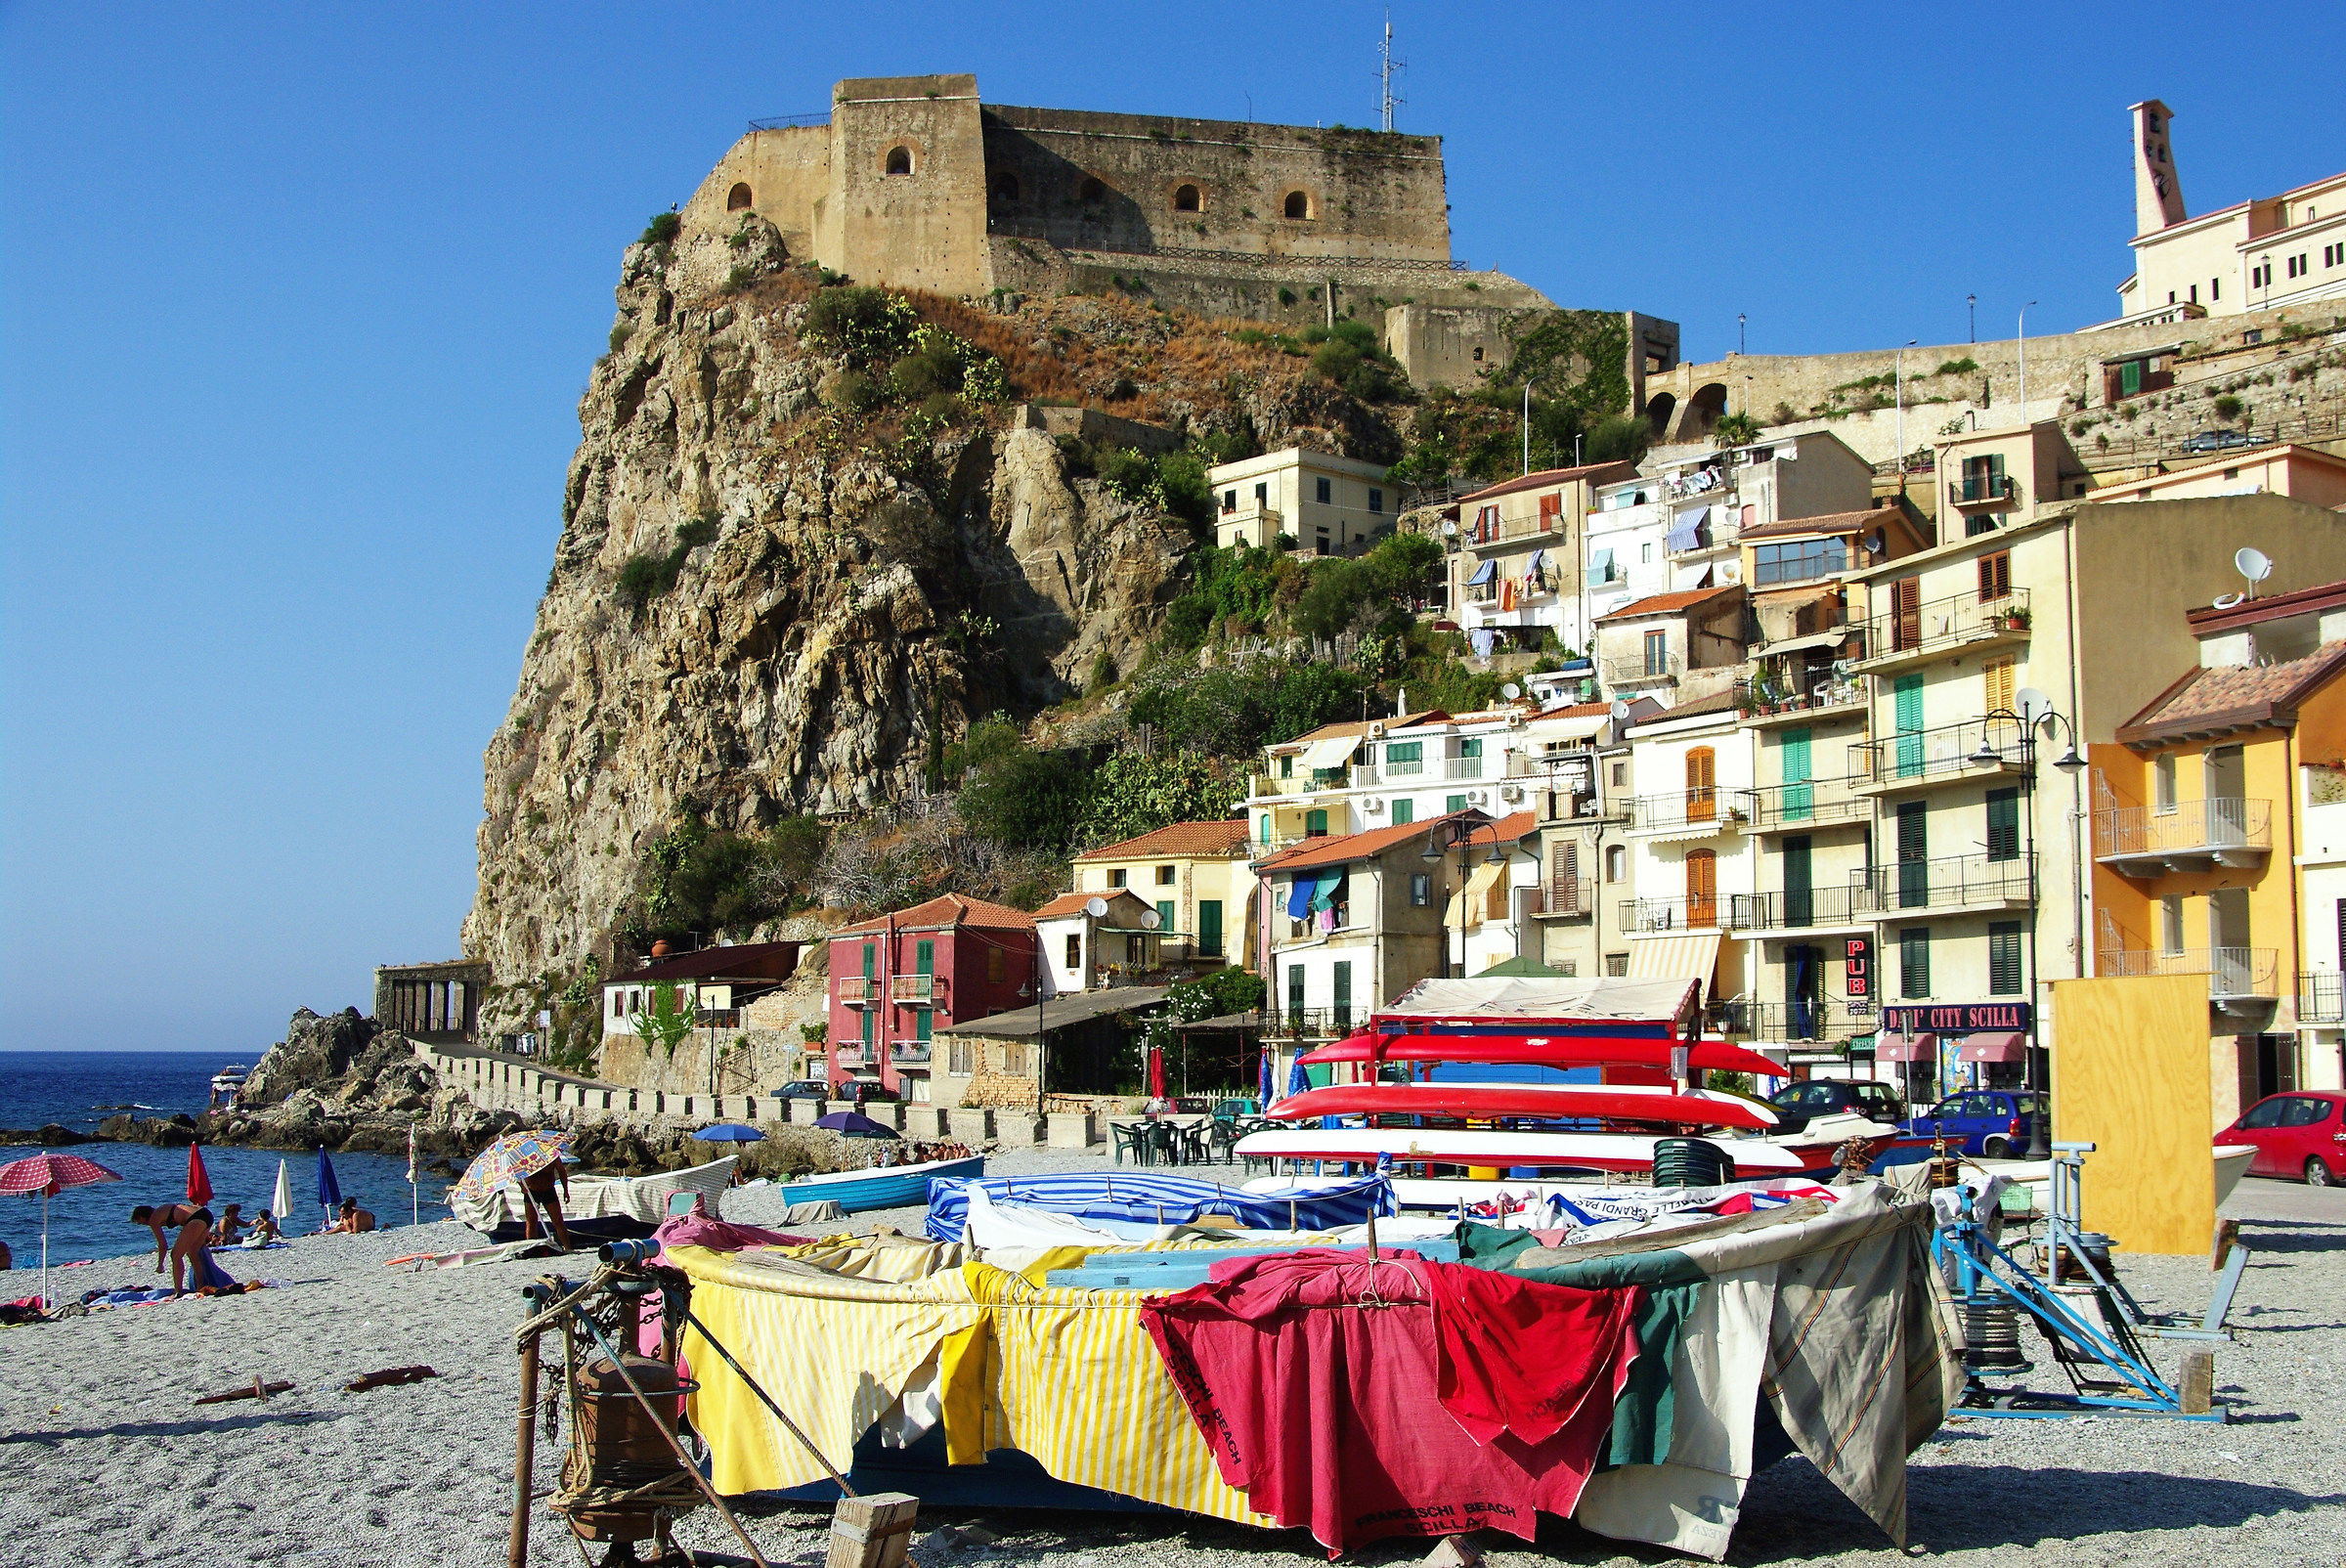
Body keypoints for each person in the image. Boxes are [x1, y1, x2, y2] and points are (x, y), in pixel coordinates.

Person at [129, 1202, 229, 1295]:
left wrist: (160, 1265)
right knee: (193, 1252)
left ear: (141, 1217)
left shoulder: (154, 1219)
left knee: (175, 1255)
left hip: (196, 1218)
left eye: (139, 1222)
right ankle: (200, 1286)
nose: (141, 1224)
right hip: (205, 1214)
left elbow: (163, 1245)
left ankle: (178, 1291)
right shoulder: (161, 1210)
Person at [518, 1157, 573, 1251]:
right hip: (531, 1191)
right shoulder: (524, 1157)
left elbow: (562, 1171)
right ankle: (532, 1249)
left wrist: (566, 1191)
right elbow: (516, 1173)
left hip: (548, 1190)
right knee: (531, 1222)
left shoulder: (551, 1156)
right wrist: (521, 1186)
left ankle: (568, 1247)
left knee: (558, 1220)